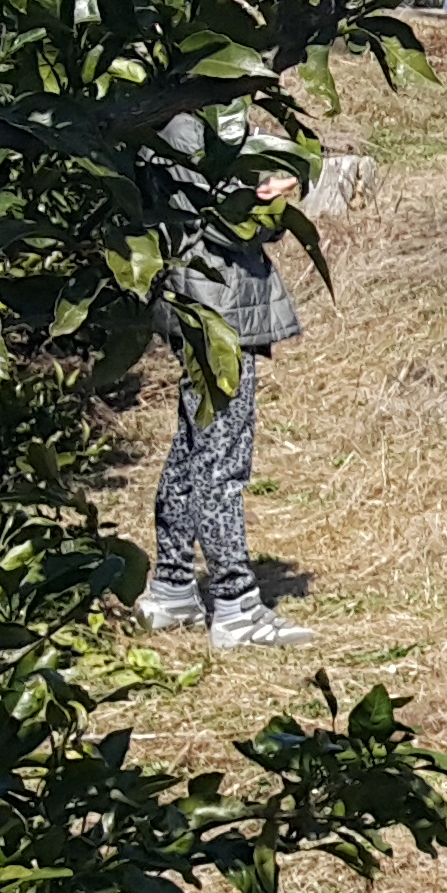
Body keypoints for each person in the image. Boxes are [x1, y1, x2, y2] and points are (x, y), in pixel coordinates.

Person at [138, 107, 315, 649]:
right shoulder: (187, 131)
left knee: (193, 445)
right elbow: (221, 224)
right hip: (216, 308)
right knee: (222, 457)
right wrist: (266, 199)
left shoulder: (159, 123)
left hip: (194, 301)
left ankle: (171, 585)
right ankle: (236, 604)